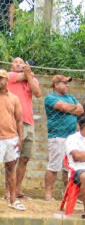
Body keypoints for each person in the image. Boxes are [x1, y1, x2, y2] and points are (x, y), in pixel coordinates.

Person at [43, 74, 83, 201]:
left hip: (71, 138)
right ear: (56, 85)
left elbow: (81, 110)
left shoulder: (70, 97)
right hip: (57, 137)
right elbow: (63, 107)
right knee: (54, 166)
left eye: (67, 83)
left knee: (69, 168)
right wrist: (72, 107)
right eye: (64, 83)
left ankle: (69, 195)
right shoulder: (50, 98)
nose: (67, 85)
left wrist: (68, 108)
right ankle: (48, 194)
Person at [6, 58, 41, 200]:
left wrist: (29, 76)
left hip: (29, 122)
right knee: (11, 159)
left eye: (21, 62)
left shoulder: (31, 79)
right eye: (16, 62)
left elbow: (37, 93)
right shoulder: (9, 76)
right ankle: (8, 192)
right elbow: (21, 75)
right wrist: (28, 73)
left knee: (25, 158)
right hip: (13, 122)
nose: (18, 64)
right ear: (11, 66)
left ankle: (17, 190)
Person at [0, 69, 24, 209]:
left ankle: (13, 200)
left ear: (7, 80)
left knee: (11, 169)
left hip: (11, 138)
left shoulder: (14, 98)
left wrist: (20, 138)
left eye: (1, 78)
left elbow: (19, 120)